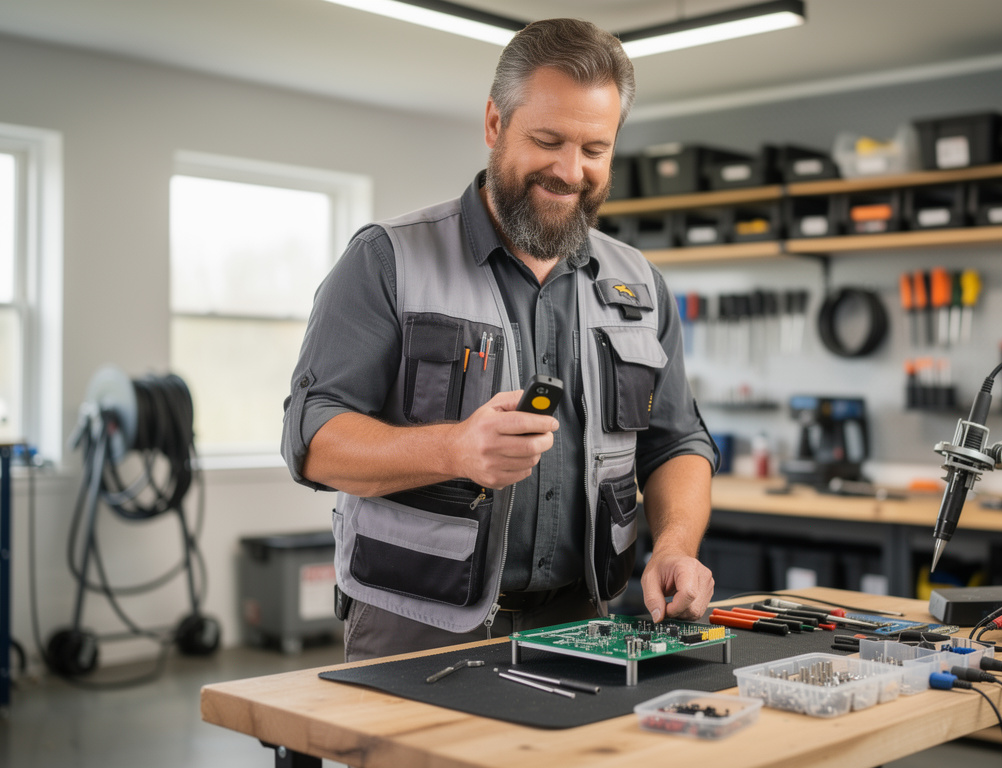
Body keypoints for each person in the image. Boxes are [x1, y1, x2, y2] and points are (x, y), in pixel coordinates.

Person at [281, 18, 717, 662]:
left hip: (581, 623)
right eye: (548, 141)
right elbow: (312, 439)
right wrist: (454, 448)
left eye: (595, 149)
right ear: (494, 124)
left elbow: (676, 443)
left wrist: (676, 545)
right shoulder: (387, 260)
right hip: (416, 627)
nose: (570, 171)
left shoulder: (640, 285)